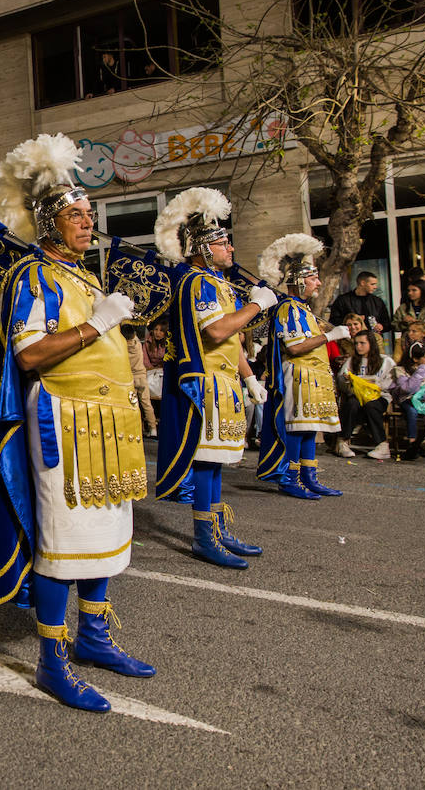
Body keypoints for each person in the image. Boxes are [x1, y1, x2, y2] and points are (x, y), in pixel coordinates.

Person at [0, 133, 153, 714]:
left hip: (111, 423)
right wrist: (100, 324)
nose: (87, 222)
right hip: (65, 420)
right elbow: (29, 354)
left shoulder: (86, 278)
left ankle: (94, 638)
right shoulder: (34, 277)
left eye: (88, 213)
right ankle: (52, 662)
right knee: (65, 543)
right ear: (50, 224)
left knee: (107, 534)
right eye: (75, 215)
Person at [153, 187, 276, 568]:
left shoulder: (217, 283)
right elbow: (218, 331)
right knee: (206, 462)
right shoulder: (197, 281)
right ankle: (205, 537)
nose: (231, 249)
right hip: (205, 383)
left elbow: (234, 339)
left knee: (216, 462)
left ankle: (218, 530)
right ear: (203, 248)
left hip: (225, 383)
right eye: (223, 243)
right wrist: (258, 304)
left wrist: (250, 376)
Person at [256, 234, 350, 500]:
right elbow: (295, 347)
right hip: (299, 375)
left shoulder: (303, 309)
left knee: (310, 427)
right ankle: (290, 478)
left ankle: (309, 477)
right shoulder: (288, 308)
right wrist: (330, 336)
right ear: (298, 280)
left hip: (314, 377)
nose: (318, 282)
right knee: (297, 429)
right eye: (313, 278)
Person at [336, 330, 396, 460]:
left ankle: (382, 445)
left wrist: (372, 384)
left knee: (371, 406)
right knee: (351, 404)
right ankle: (343, 442)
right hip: (356, 396)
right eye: (356, 343)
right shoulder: (352, 361)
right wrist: (347, 380)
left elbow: (391, 382)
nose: (358, 346)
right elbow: (340, 381)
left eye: (362, 343)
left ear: (371, 343)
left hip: (378, 397)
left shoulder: (386, 361)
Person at [392, 340, 425, 454]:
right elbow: (408, 389)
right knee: (411, 412)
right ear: (415, 359)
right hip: (407, 398)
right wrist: (421, 370)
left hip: (424, 399)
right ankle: (412, 442)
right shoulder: (401, 370)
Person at [123, 325, 157, 436]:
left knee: (133, 404)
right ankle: (153, 428)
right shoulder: (137, 343)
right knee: (147, 404)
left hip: (130, 378)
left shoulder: (123, 347)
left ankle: (136, 428)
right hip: (141, 377)